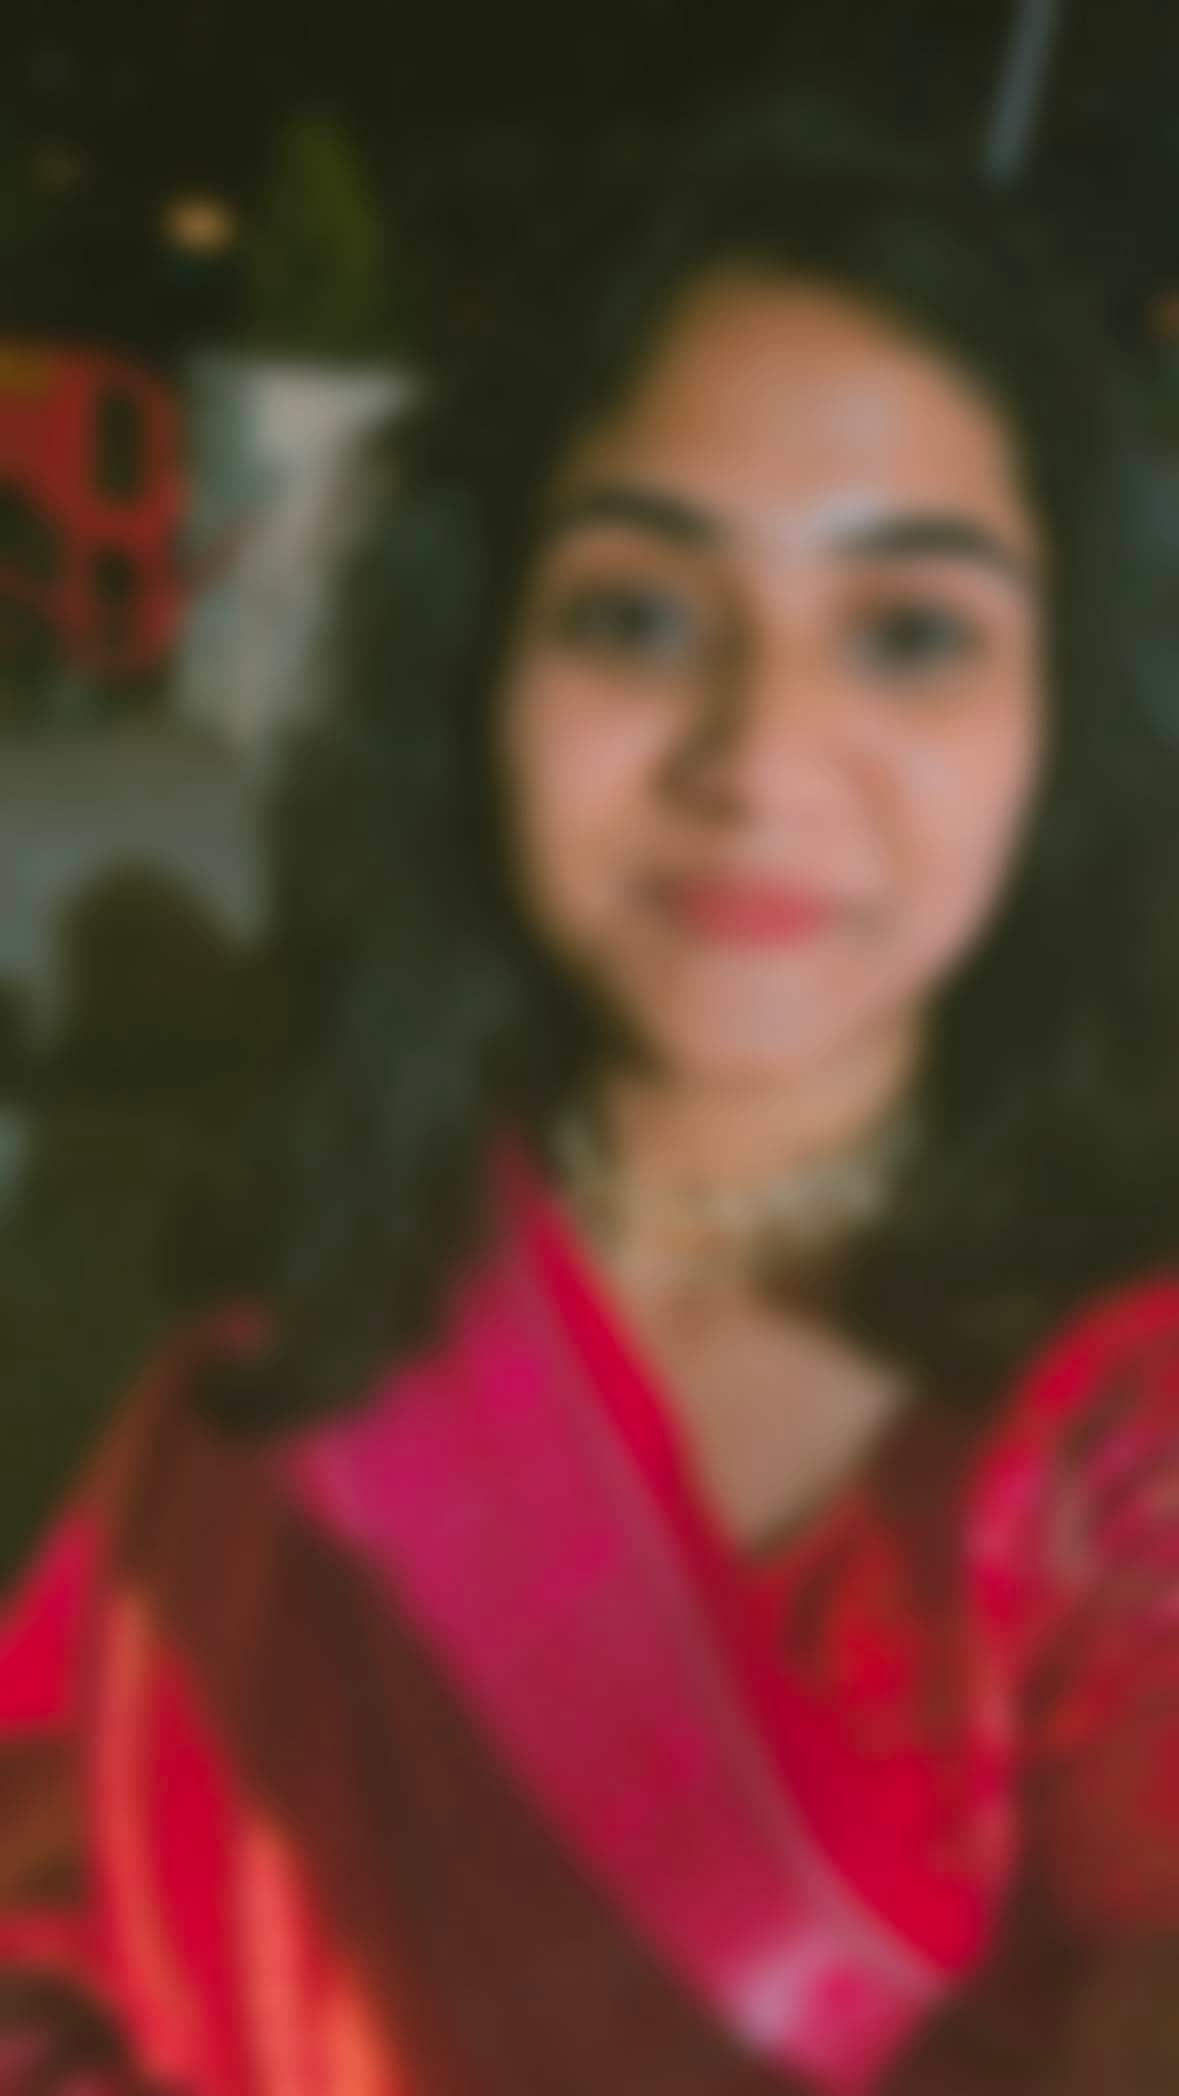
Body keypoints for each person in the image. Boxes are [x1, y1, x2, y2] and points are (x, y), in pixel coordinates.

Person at [5, 109, 1179, 2094]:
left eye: (910, 632)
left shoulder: (1120, 1446)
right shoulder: (271, 1363)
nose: (757, 753)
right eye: (635, 613)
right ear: (476, 677)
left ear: (1065, 724)